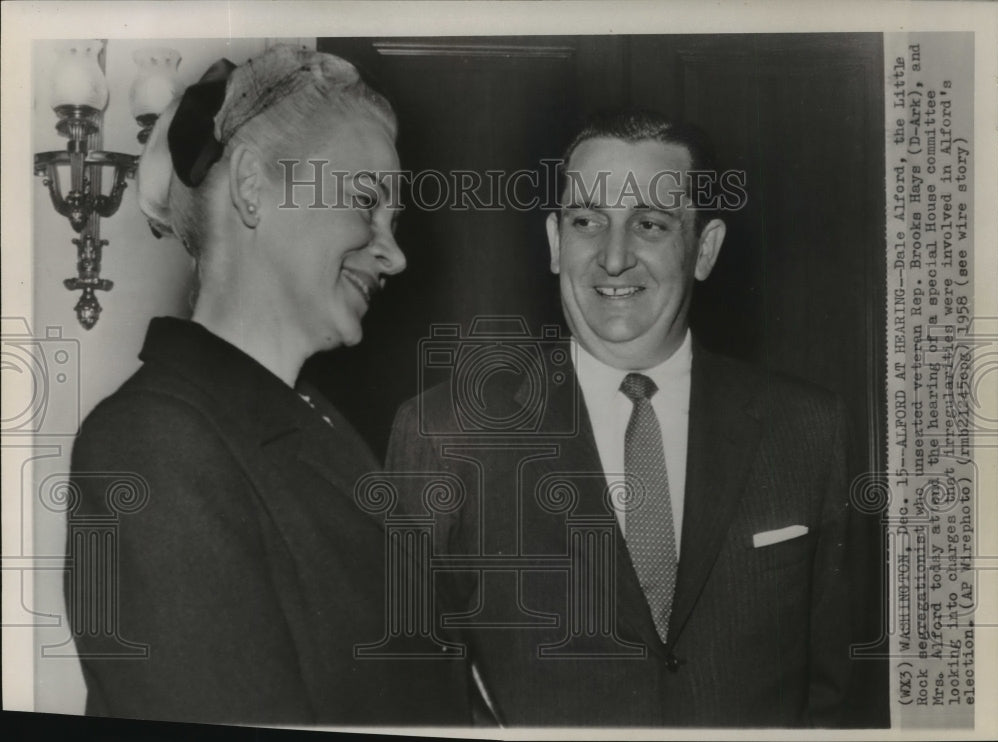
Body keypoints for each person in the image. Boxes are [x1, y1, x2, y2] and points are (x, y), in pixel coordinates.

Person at [386, 109, 852, 726]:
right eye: (586, 222)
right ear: (555, 242)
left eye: (650, 224)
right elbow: (405, 695)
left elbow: (841, 702)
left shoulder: (807, 429)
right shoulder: (445, 433)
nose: (612, 258)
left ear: (705, 249)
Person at [67, 45, 468, 726]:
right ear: (253, 185)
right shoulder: (152, 445)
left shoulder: (315, 425)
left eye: (393, 222)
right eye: (366, 202)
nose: (394, 254)